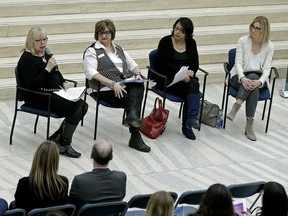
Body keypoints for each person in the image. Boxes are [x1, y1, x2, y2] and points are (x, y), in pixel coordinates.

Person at [17, 26, 88, 158]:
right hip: (38, 96)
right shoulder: (27, 59)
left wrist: (63, 83)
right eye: (39, 40)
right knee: (76, 109)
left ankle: (57, 138)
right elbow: (32, 85)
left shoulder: (46, 54)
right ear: (31, 41)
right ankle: (65, 143)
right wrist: (47, 69)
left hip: (54, 92)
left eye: (45, 39)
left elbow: (56, 71)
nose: (43, 43)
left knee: (83, 105)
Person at [83, 19, 150, 152]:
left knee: (138, 84)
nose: (104, 35)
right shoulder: (92, 51)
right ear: (96, 34)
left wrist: (137, 74)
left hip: (123, 85)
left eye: (107, 33)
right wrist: (112, 84)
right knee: (132, 101)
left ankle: (132, 119)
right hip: (101, 89)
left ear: (112, 34)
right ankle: (135, 135)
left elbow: (134, 65)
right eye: (101, 33)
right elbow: (91, 73)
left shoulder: (119, 48)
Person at [227, 16, 274, 141]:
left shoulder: (269, 46)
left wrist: (259, 81)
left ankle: (238, 103)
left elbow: (267, 69)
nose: (254, 30)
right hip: (239, 76)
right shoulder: (243, 40)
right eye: (253, 26)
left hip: (258, 79)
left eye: (258, 28)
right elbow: (237, 62)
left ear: (264, 31)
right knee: (252, 82)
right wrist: (242, 78)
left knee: (253, 79)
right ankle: (249, 125)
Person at [154, 17, 201, 140]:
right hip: (167, 80)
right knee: (192, 90)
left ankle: (190, 120)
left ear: (188, 33)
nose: (177, 32)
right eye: (176, 28)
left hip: (185, 81)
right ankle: (188, 124)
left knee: (193, 85)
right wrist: (180, 72)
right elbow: (161, 64)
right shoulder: (165, 41)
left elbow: (195, 63)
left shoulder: (191, 43)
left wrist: (191, 72)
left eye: (181, 30)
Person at [12, 141, 69, 213]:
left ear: (36, 158)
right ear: (56, 161)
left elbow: (19, 209)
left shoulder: (24, 183)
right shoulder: (63, 182)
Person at [69, 139, 127, 210]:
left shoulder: (79, 180)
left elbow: (72, 206)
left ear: (91, 155)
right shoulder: (121, 177)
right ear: (111, 157)